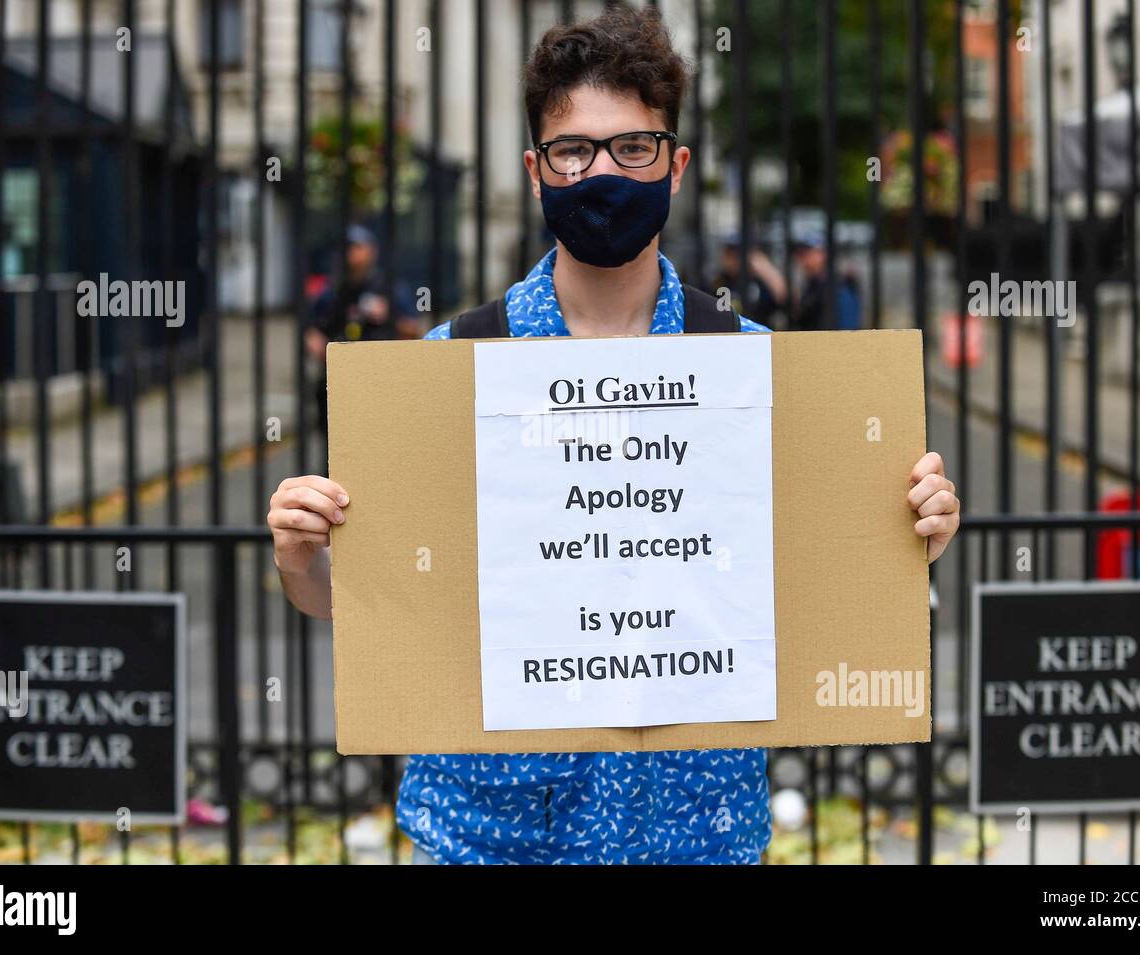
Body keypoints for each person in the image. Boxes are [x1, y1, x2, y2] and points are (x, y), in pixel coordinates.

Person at [267, 4, 960, 865]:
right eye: (574, 150)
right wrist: (305, 561)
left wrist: (909, 539)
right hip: (493, 832)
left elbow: (822, 573)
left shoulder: (755, 371)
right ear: (536, 170)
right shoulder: (452, 365)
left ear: (675, 166)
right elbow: (383, 605)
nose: (604, 171)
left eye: (633, 146)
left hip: (693, 830)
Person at [305, 225, 421, 435]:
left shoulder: (389, 288)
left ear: (371, 251)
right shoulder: (333, 290)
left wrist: (389, 317)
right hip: (337, 382)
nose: (351, 254)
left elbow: (414, 331)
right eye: (347, 248)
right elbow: (312, 328)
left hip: (378, 381)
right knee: (335, 445)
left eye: (357, 247)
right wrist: (317, 344)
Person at [713, 234, 789, 329]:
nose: (733, 259)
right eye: (729, 254)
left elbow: (783, 297)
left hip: (760, 335)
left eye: (737, 254)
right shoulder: (721, 282)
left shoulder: (760, 280)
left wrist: (764, 267)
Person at [792, 231, 862, 331]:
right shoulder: (812, 284)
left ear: (823, 254)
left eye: (807, 253)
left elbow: (847, 329)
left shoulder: (840, 286)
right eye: (799, 254)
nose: (802, 259)